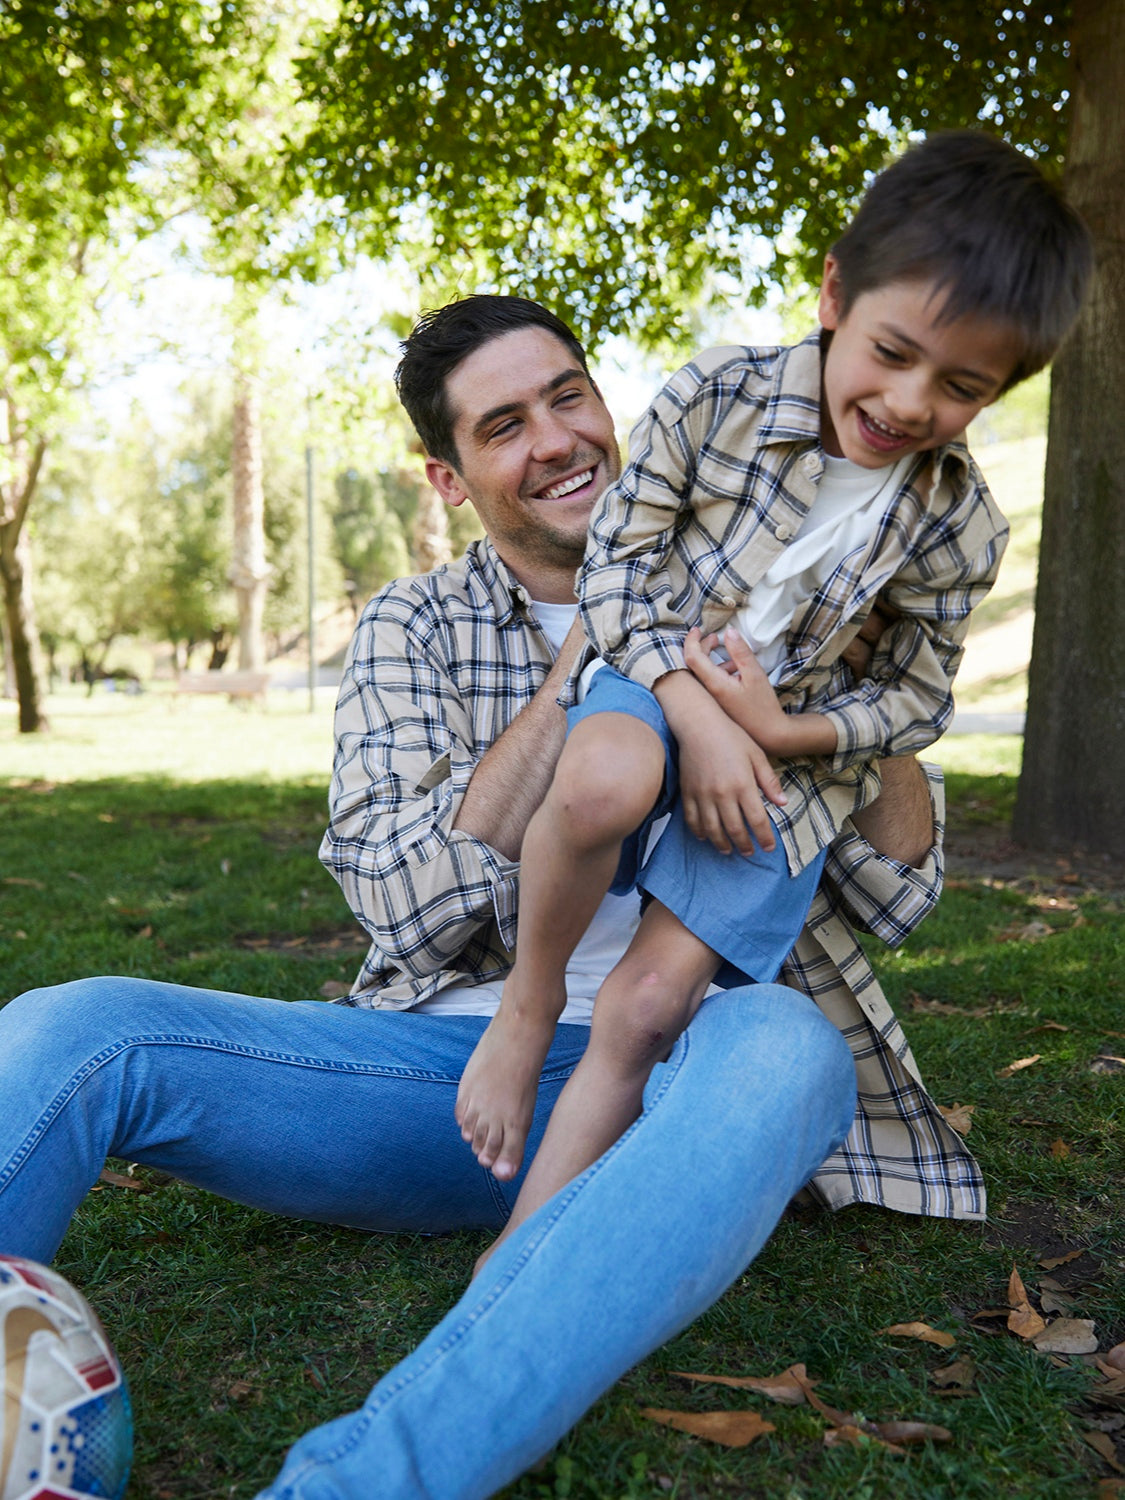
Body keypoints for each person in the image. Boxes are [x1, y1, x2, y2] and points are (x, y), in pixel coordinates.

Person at [1, 294, 979, 1500]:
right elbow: (396, 898)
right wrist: (595, 660)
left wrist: (859, 702)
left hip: (695, 1085)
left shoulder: (771, 572)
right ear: (450, 478)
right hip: (454, 1082)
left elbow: (901, 888)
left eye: (569, 397)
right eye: (504, 425)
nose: (557, 439)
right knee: (77, 1028)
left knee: (790, 1050)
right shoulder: (413, 624)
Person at [454, 132, 1094, 1262]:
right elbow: (616, 567)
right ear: (835, 293)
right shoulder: (718, 395)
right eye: (892, 351)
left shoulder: (959, 524)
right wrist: (696, 711)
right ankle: (529, 1003)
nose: (907, 402)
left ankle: (523, 1250)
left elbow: (915, 700)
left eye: (961, 386)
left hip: (786, 764)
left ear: (1003, 388)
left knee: (648, 1007)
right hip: (651, 668)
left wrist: (780, 730)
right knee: (601, 784)